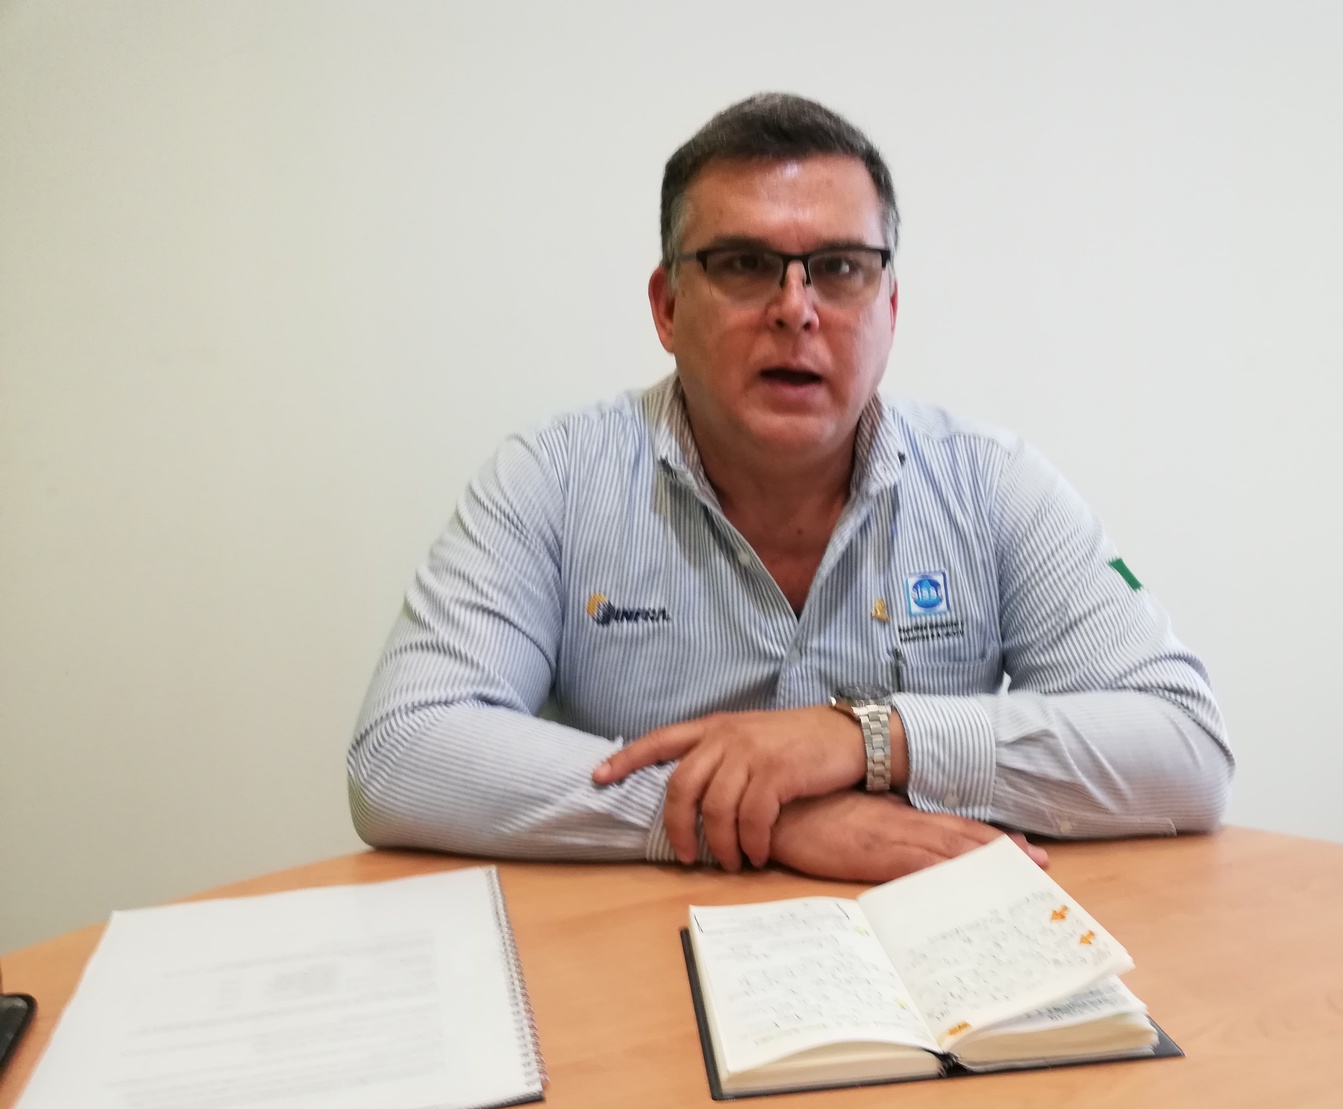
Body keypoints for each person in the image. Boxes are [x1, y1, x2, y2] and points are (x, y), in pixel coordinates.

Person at [348, 93, 1233, 883]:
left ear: (890, 309)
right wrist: (762, 816)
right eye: (743, 264)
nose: (796, 309)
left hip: (936, 948)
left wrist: (869, 738)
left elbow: (1185, 747)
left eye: (841, 268)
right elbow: (400, 750)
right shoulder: (552, 480)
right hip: (639, 956)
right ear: (667, 307)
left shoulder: (992, 484)